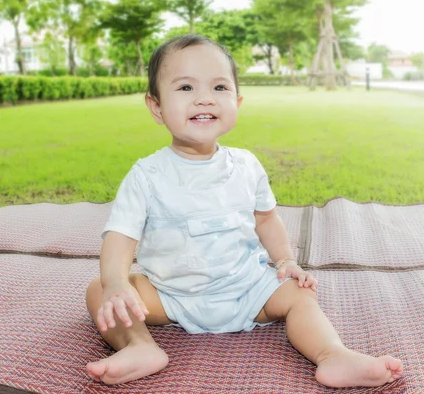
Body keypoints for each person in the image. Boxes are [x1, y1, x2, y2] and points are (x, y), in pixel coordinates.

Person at [85, 34, 404, 388]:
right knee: (99, 291)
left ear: (237, 101)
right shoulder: (147, 175)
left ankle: (333, 355)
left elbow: (266, 219)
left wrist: (284, 261)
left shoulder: (246, 165)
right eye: (186, 87)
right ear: (156, 107)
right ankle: (140, 346)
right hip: (170, 295)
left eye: (219, 87)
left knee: (300, 295)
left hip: (247, 290)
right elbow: (121, 236)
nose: (204, 97)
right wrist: (115, 281)